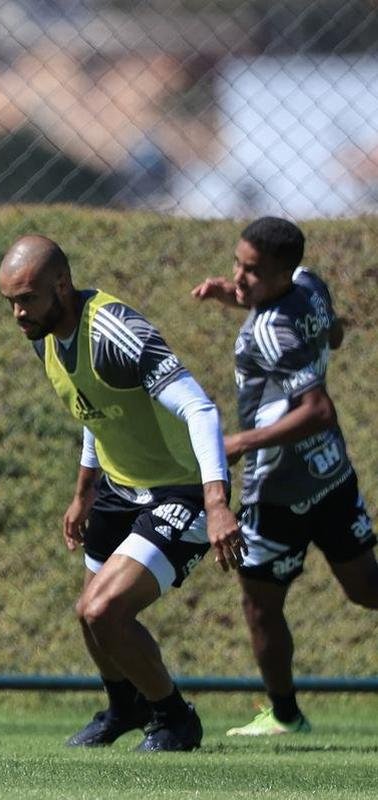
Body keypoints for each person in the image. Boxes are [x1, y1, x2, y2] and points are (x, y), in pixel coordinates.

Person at [0, 235, 243, 752]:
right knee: (90, 620)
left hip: (181, 490)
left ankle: (175, 718)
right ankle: (124, 708)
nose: (18, 312)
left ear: (61, 286)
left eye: (27, 299)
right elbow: (97, 408)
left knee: (102, 610)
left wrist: (217, 503)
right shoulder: (47, 336)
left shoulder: (115, 333)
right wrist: (83, 491)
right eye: (10, 302)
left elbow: (201, 409)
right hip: (118, 486)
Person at [192, 217, 377, 736]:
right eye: (238, 264)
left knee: (259, 603)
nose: (240, 277)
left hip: (275, 488)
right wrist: (232, 295)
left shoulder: (269, 331)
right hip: (330, 472)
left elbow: (318, 410)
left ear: (282, 272)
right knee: (366, 589)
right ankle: (284, 713)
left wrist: (237, 443)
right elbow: (334, 333)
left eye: (253, 271)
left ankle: (285, 716)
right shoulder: (310, 284)